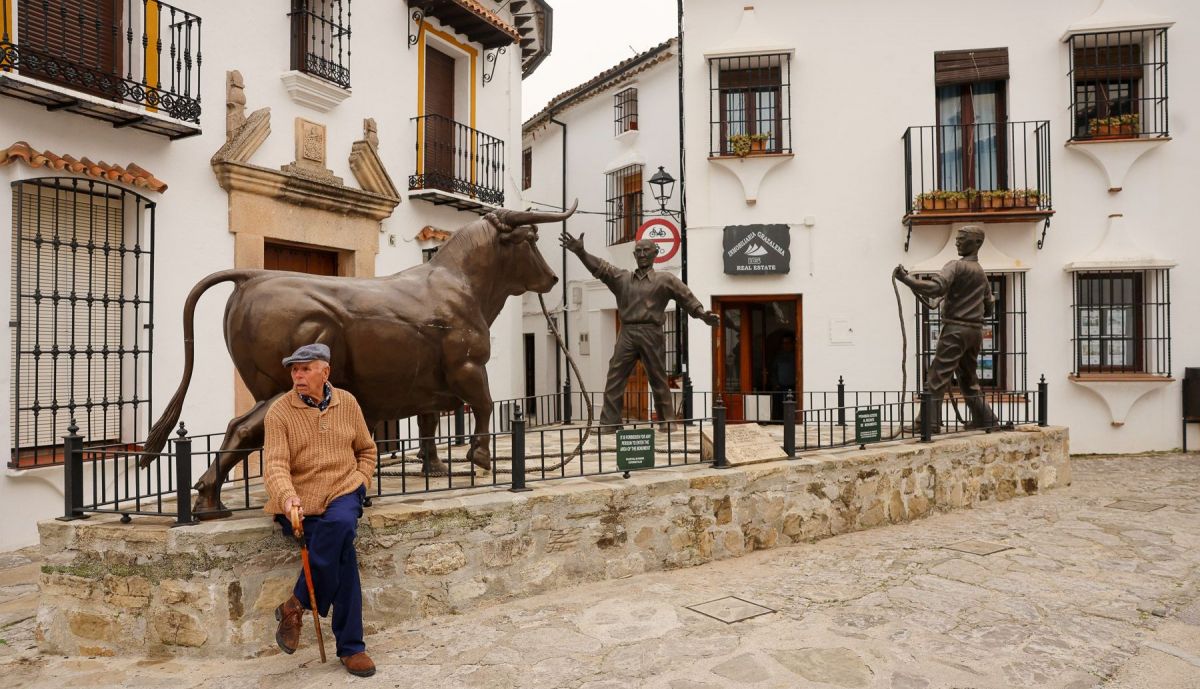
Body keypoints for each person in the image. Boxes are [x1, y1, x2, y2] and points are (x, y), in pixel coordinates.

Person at [264, 343, 378, 677]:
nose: (297, 375)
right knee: (342, 557)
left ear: (324, 372)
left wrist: (360, 481)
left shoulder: (348, 403)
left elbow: (367, 452)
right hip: (301, 502)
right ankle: (352, 648)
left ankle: (295, 604)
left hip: (344, 490)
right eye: (294, 370)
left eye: (305, 369)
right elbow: (274, 466)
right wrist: (288, 499)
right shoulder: (279, 412)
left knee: (341, 525)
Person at [559, 231, 720, 428]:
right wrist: (581, 252)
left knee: (658, 377)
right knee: (615, 376)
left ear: (655, 254)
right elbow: (600, 268)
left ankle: (667, 422)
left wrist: (702, 314)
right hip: (626, 332)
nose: (642, 254)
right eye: (638, 251)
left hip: (651, 332)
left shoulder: (665, 279)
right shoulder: (622, 278)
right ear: (634, 256)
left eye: (646, 250)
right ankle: (609, 422)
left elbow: (686, 298)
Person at [893, 225, 997, 433]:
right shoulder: (980, 273)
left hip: (956, 330)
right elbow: (990, 306)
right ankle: (985, 419)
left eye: (962, 238)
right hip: (974, 332)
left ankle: (928, 423)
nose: (957, 242)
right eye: (957, 238)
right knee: (968, 378)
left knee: (936, 376)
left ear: (976, 243)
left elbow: (936, 288)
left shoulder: (956, 266)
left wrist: (907, 280)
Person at [769, 333, 797, 421]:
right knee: (780, 407)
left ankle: (791, 422)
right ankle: (781, 422)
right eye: (784, 343)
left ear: (792, 344)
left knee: (792, 407)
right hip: (780, 387)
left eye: (788, 343)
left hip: (794, 387)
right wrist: (775, 383)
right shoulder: (778, 356)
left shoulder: (796, 355)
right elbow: (773, 370)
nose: (786, 345)